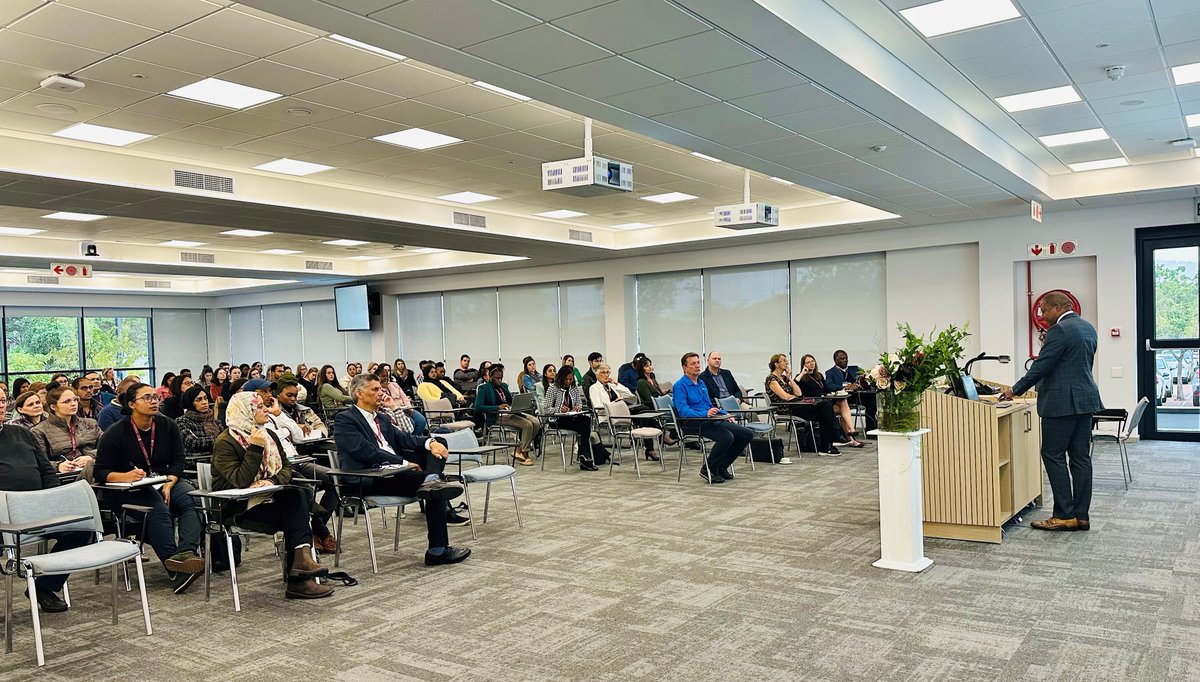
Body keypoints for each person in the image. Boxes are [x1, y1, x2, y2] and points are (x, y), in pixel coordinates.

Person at [332, 375, 472, 565]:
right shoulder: (345, 419)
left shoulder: (381, 417)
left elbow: (405, 438)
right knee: (436, 490)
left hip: (394, 473)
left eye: (380, 389)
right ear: (359, 393)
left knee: (437, 445)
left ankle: (431, 481)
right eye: (375, 390)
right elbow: (365, 451)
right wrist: (403, 462)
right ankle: (437, 550)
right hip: (370, 476)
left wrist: (430, 442)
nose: (381, 393)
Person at [211, 392, 334, 599]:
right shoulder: (226, 442)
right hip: (239, 507)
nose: (266, 410)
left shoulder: (269, 434)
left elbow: (286, 468)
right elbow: (240, 480)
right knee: (296, 506)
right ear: (246, 412)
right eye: (259, 407)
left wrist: (272, 481)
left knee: (294, 498)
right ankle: (300, 578)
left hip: (268, 499)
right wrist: (255, 448)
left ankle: (301, 566)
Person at [1001, 292, 1103, 532]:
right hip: (1085, 400)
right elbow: (1072, 365)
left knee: (1053, 455)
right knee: (1080, 458)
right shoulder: (1087, 327)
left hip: (1061, 404)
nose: (1042, 316)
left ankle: (1064, 515)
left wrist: (1014, 391)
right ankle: (1081, 516)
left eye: (1044, 311)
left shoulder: (1060, 330)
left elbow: (1042, 365)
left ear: (1058, 307)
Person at [93, 382, 205, 592]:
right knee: (159, 509)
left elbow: (178, 461)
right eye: (147, 397)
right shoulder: (115, 433)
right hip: (131, 488)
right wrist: (125, 476)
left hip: (165, 480)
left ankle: (186, 554)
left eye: (155, 397)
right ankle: (175, 568)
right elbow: (100, 472)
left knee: (193, 500)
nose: (154, 401)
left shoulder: (167, 425)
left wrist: (170, 484)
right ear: (132, 404)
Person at [0, 385, 93, 613]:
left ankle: (43, 587)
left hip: (36, 508)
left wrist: (52, 500)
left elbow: (46, 470)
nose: (0, 405)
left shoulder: (20, 433)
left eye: (2, 401)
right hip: (2, 515)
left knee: (81, 530)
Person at [673, 353, 753, 484]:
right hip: (692, 424)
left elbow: (709, 406)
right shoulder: (680, 386)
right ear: (684, 368)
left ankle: (721, 467)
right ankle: (708, 469)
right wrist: (705, 414)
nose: (697, 366)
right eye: (693, 364)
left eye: (698, 362)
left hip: (709, 420)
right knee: (727, 436)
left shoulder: (701, 383)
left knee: (746, 434)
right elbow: (683, 411)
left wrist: (725, 414)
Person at [765, 353, 842, 455]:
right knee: (824, 410)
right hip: (786, 408)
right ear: (776, 364)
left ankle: (827, 445)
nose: (787, 362)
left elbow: (798, 392)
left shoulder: (784, 378)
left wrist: (790, 378)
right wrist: (796, 398)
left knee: (825, 406)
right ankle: (833, 439)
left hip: (796, 405)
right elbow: (785, 397)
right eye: (783, 360)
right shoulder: (771, 379)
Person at [541, 365, 610, 471]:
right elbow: (546, 409)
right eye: (567, 379)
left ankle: (583, 454)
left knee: (586, 420)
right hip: (557, 420)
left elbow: (579, 403)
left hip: (572, 417)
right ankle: (584, 455)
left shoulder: (573, 387)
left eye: (571, 378)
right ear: (561, 378)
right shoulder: (553, 388)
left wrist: (577, 407)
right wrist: (559, 409)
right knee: (584, 426)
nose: (569, 381)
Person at [475, 364, 541, 466]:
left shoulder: (503, 387)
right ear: (490, 377)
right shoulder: (484, 389)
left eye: (501, 378)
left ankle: (519, 450)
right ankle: (524, 453)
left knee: (536, 422)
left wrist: (517, 405)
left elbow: (511, 401)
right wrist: (497, 407)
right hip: (497, 416)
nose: (499, 380)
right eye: (497, 378)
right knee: (527, 425)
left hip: (510, 412)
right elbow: (478, 407)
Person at [589, 363, 658, 460]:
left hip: (622, 412)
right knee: (643, 410)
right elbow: (597, 407)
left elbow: (628, 394)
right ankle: (659, 432)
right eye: (603, 373)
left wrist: (616, 384)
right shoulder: (594, 388)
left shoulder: (611, 385)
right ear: (597, 375)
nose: (606, 375)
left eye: (608, 372)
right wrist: (614, 404)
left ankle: (650, 448)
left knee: (643, 412)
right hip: (610, 415)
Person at [32, 384, 99, 477]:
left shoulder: (90, 424)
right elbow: (38, 461)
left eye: (75, 399)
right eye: (67, 401)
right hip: (63, 477)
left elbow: (109, 448)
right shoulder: (40, 431)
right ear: (53, 407)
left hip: (93, 469)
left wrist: (91, 457)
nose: (73, 404)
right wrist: (58, 466)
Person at [797, 353, 863, 448]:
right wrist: (803, 373)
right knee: (843, 411)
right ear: (804, 365)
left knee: (843, 401)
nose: (811, 363)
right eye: (808, 362)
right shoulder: (802, 377)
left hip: (826, 400)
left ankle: (851, 432)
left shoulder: (819, 375)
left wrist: (832, 393)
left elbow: (827, 389)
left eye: (812, 361)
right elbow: (796, 386)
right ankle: (849, 438)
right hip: (816, 403)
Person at [826, 350, 877, 433]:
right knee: (842, 402)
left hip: (856, 396)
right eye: (842, 358)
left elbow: (864, 381)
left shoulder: (855, 369)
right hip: (842, 398)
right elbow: (829, 385)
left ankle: (870, 430)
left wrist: (857, 385)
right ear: (835, 360)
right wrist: (845, 387)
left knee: (872, 399)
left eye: (846, 358)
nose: (845, 360)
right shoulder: (830, 372)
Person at [176, 384, 219, 460]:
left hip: (217, 458)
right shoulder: (182, 421)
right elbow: (193, 442)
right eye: (198, 400)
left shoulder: (213, 419)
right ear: (190, 402)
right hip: (195, 461)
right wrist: (218, 440)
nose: (204, 402)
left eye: (205, 398)